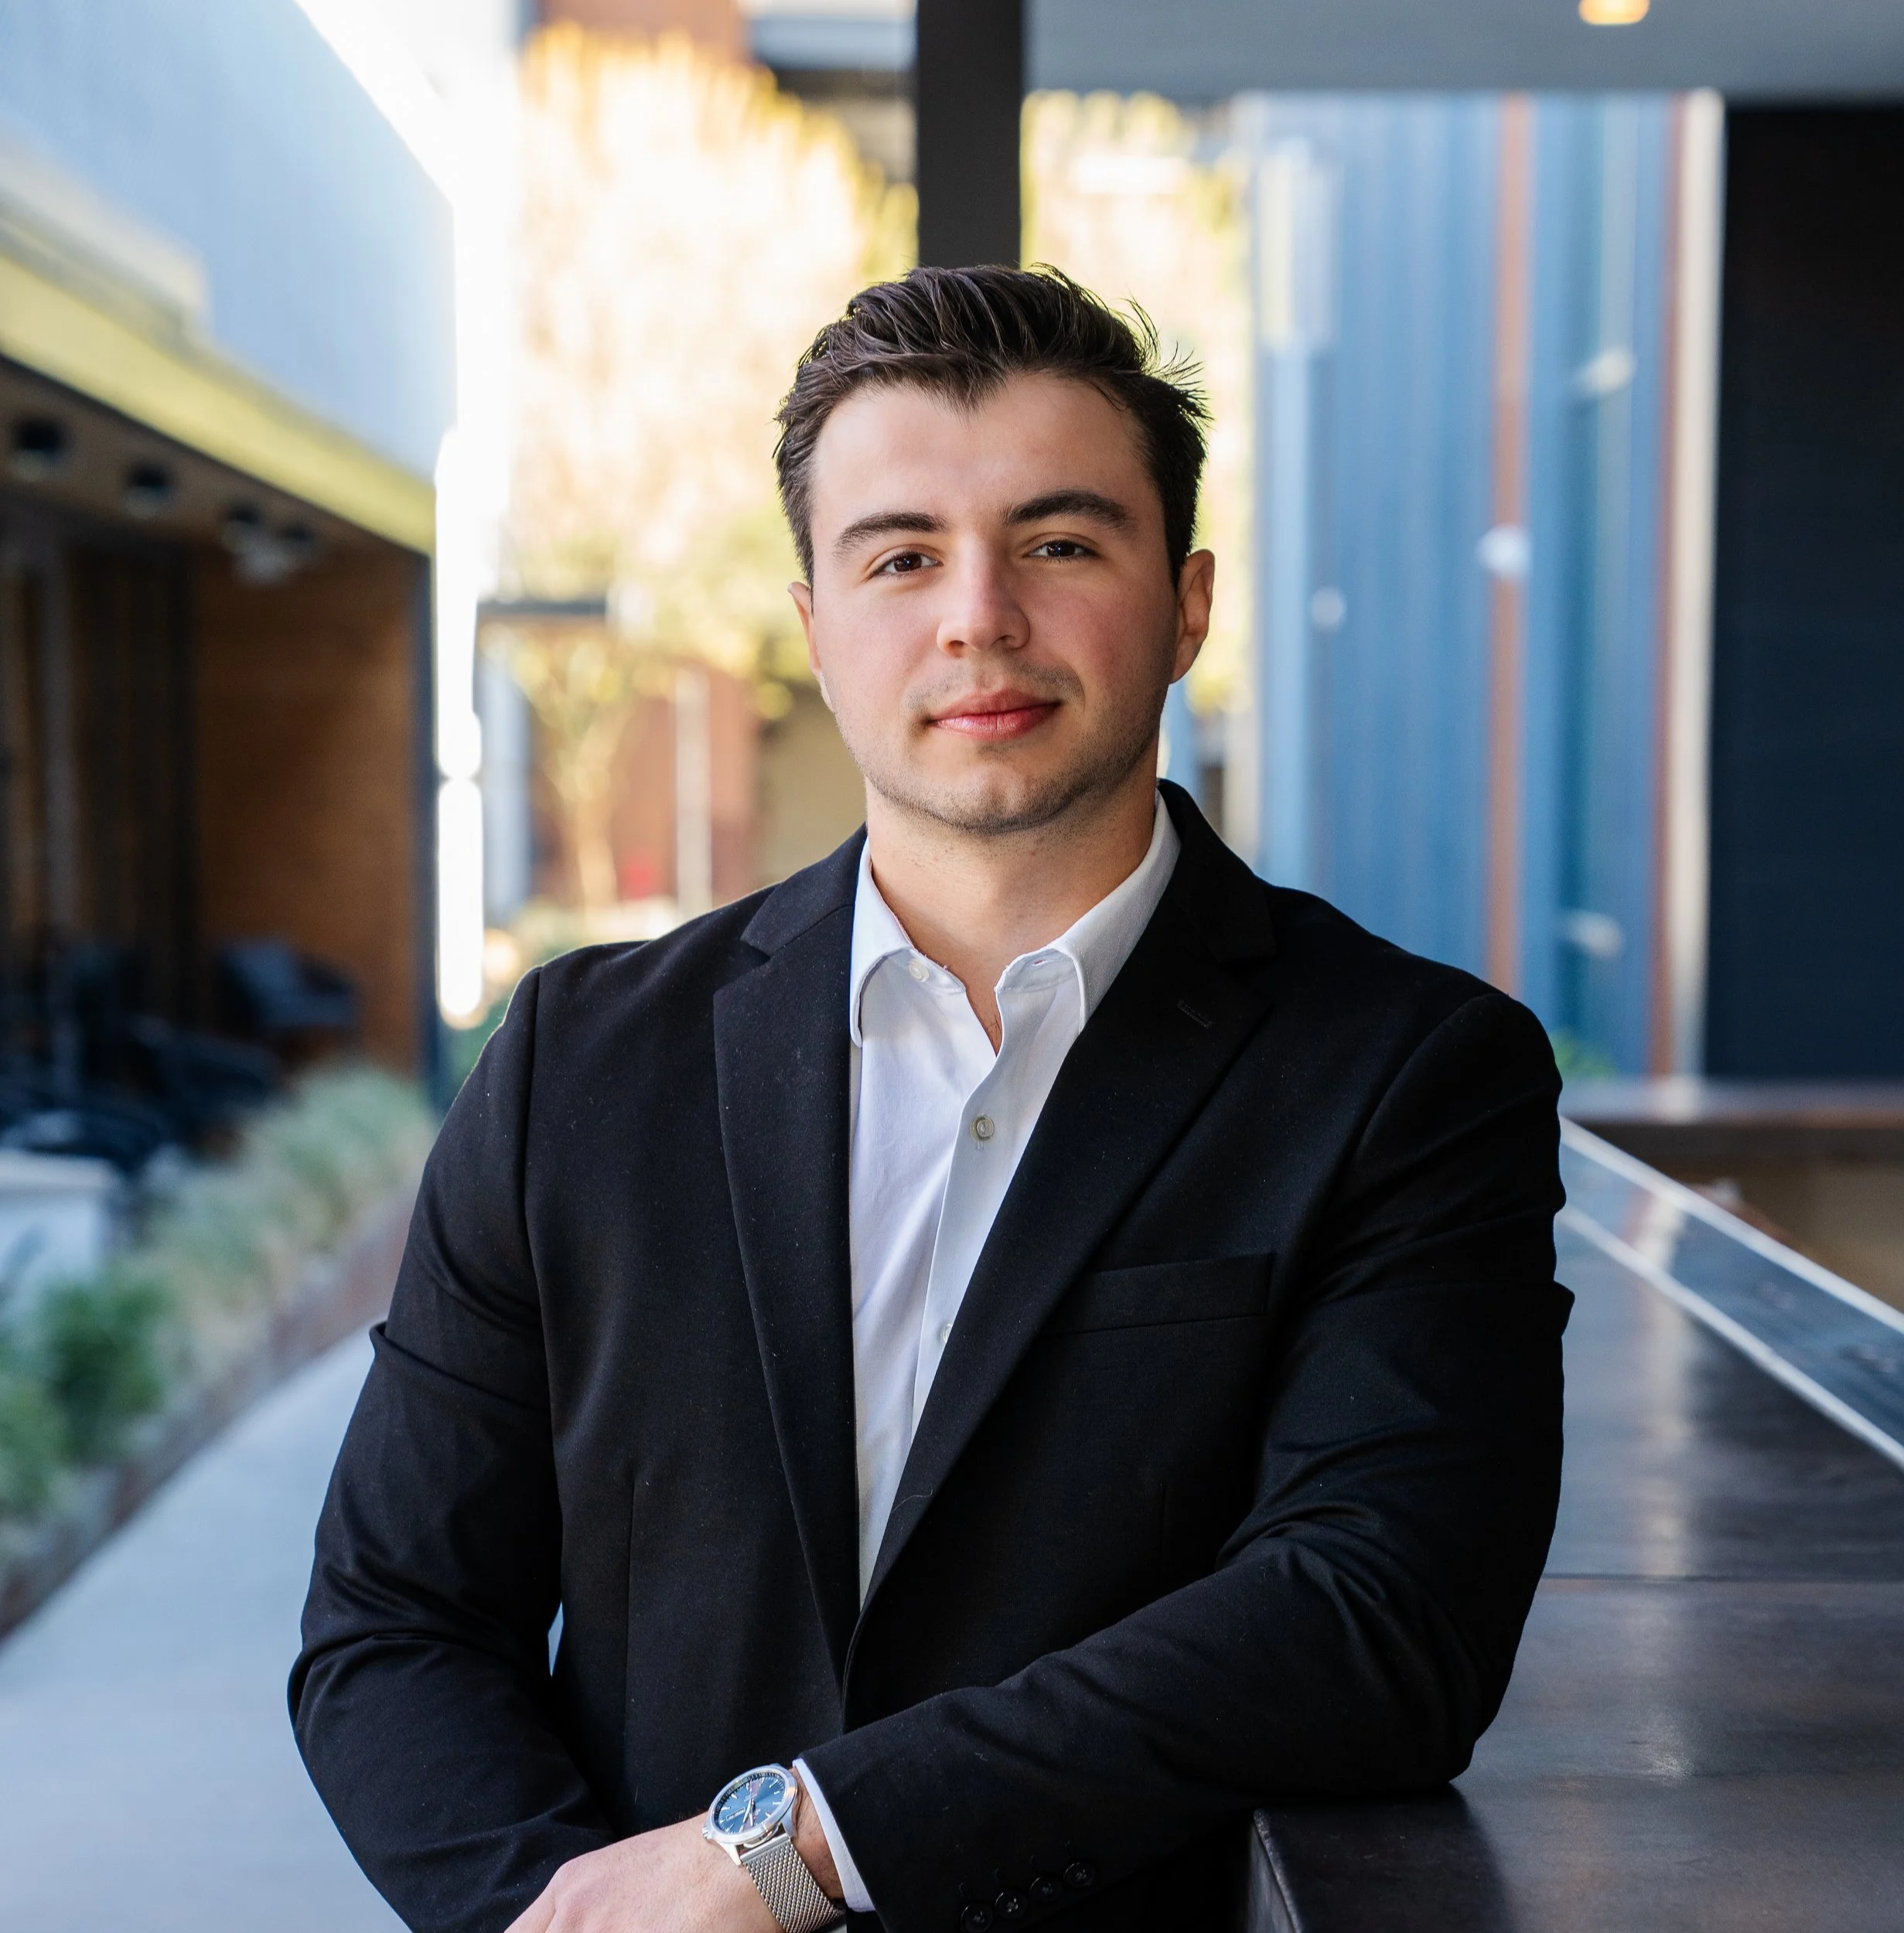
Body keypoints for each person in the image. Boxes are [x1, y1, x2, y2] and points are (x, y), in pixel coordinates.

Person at [292, 266, 1568, 1933]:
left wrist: (789, 1848)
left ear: (1184, 604)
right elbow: (395, 1623)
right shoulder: (580, 1059)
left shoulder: (1406, 1072)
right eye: (900, 555)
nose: (976, 615)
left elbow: (1375, 1615)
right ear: (814, 620)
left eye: (1057, 542)